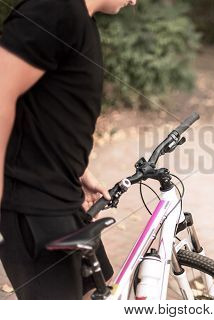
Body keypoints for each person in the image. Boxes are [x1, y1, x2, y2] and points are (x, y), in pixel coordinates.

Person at [0, 0, 137, 299]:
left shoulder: (77, 18)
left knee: (97, 294)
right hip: (31, 203)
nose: (134, 1)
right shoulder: (54, 10)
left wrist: (78, 168)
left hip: (62, 193)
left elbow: (41, 109)